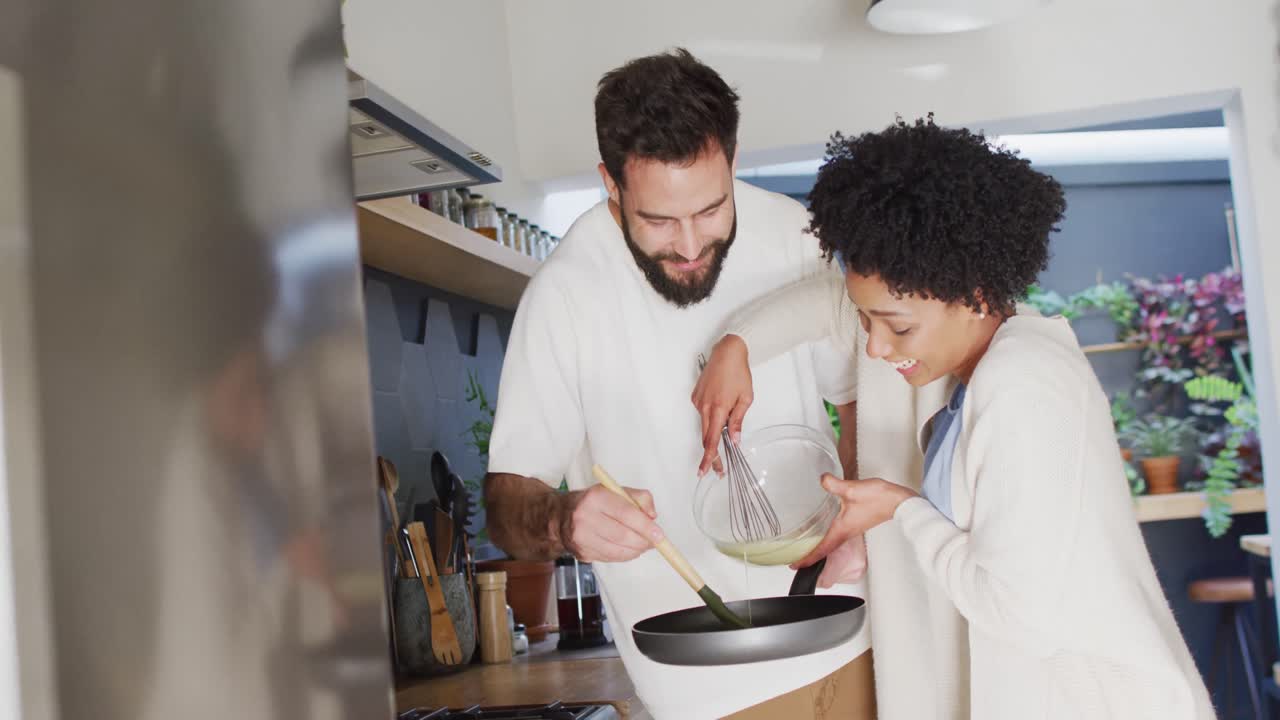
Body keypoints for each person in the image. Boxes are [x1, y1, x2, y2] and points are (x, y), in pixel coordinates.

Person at [693, 116, 1215, 719]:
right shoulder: (1002, 362)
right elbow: (831, 304)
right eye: (868, 322)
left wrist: (899, 508)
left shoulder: (1022, 387)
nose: (877, 348)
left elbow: (1014, 608)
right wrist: (738, 344)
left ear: (975, 295)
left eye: (898, 326)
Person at [484, 49, 874, 719]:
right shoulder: (566, 295)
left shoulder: (791, 234)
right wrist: (563, 519)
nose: (691, 245)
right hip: (707, 685)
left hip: (848, 629)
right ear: (610, 182)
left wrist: (859, 520)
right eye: (659, 221)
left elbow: (856, 394)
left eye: (711, 210)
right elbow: (503, 502)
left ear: (731, 156)